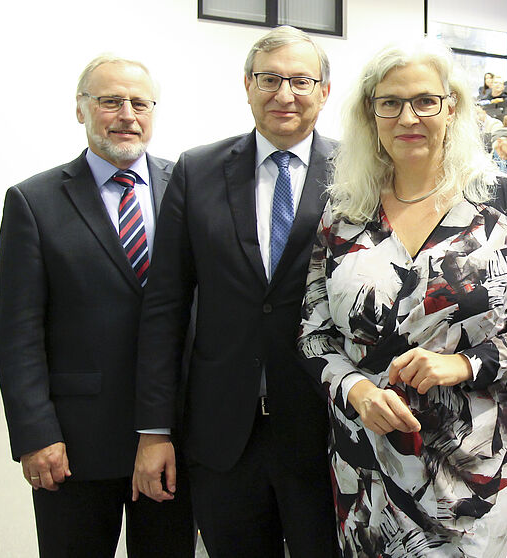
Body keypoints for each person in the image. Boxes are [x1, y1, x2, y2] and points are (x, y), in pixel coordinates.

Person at [298, 38, 507, 556]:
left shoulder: (499, 199)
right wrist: (354, 389)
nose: (408, 117)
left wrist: (464, 365)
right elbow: (313, 334)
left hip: (480, 465)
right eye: (390, 103)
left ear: (451, 108)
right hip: (369, 462)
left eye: (425, 100)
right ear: (370, 116)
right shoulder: (343, 212)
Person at [131, 26, 337, 558]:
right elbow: (165, 307)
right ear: (247, 85)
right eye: (269, 79)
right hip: (223, 434)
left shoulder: (362, 171)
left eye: (300, 81)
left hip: (324, 429)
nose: (284, 94)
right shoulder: (197, 170)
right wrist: (154, 431)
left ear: (324, 91)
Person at [0, 54, 195, 558]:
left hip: (177, 439)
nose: (127, 114)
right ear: (81, 110)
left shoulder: (191, 189)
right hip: (75, 446)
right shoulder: (33, 201)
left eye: (140, 102)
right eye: (111, 101)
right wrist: (36, 435)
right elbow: (19, 335)